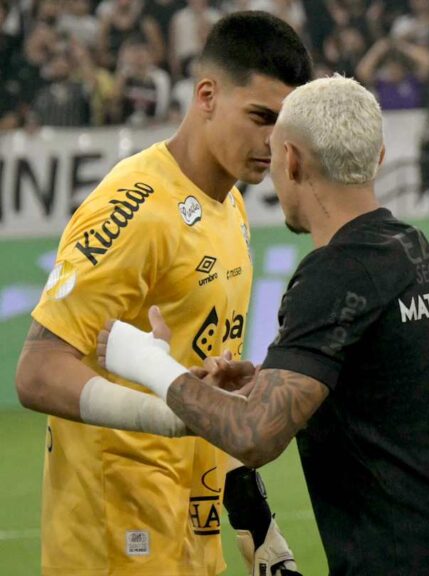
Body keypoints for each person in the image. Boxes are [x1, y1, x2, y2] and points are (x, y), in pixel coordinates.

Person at [97, 75, 429, 576]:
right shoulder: (413, 249)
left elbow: (255, 436)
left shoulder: (336, 271)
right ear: (379, 157)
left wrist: (150, 364)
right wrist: (271, 377)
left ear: (291, 160)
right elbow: (386, 379)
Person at [15, 12, 311, 576]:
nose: (273, 141)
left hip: (191, 531)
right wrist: (168, 413)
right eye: (260, 117)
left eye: (285, 123)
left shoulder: (232, 207)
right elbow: (37, 371)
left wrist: (257, 524)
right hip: (113, 540)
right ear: (206, 96)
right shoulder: (132, 205)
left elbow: (209, 391)